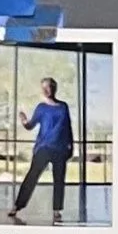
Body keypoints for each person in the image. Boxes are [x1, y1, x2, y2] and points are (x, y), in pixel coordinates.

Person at [8, 75, 76, 222]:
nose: (47, 90)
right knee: (32, 176)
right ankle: (17, 206)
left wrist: (71, 147)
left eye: (49, 86)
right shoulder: (41, 108)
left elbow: (68, 127)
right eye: (44, 87)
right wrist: (24, 120)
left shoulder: (63, 106)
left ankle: (57, 210)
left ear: (54, 88)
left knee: (59, 180)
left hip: (60, 149)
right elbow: (30, 125)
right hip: (43, 148)